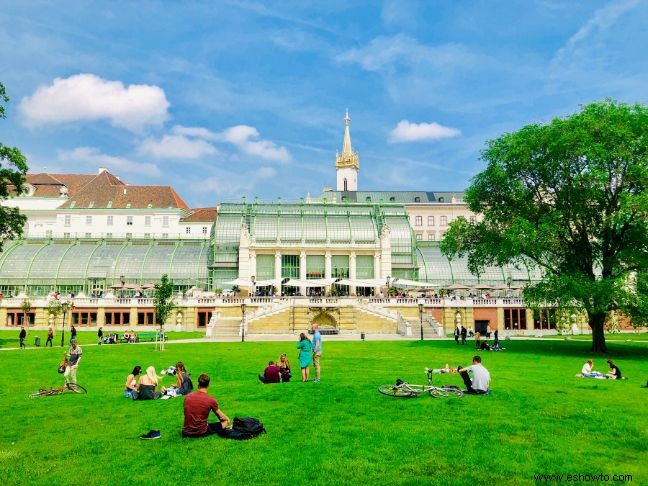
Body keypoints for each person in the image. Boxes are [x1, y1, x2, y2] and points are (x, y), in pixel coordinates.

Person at [182, 373, 230, 438]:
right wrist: (227, 419)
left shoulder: (187, 397)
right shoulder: (210, 400)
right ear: (208, 385)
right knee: (225, 421)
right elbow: (221, 417)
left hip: (186, 432)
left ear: (198, 384)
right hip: (200, 432)